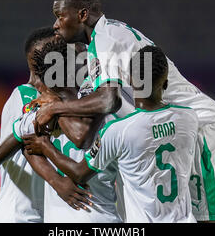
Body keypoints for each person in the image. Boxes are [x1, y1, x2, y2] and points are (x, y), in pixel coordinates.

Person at [31, 0, 215, 222]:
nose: (55, 24)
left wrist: (55, 108)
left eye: (60, 16)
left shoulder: (108, 39)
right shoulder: (101, 41)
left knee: (204, 217)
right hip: (160, 126)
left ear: (82, 14)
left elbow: (108, 100)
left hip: (197, 122)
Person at [26, 45, 198, 222]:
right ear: (166, 83)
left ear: (130, 81)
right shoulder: (189, 118)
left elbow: (78, 173)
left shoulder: (118, 130)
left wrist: (45, 147)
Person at [0, 27, 92, 222]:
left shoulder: (63, 96)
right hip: (18, 214)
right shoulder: (25, 95)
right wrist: (58, 183)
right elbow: (27, 144)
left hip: (45, 214)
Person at [13, 38, 124, 223]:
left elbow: (80, 137)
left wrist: (56, 109)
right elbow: (25, 143)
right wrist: (56, 180)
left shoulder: (44, 111)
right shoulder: (45, 108)